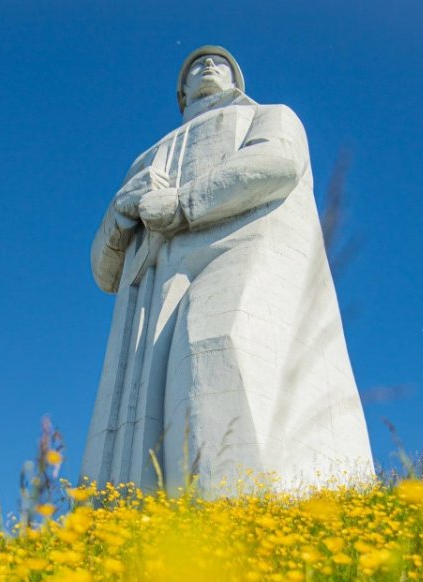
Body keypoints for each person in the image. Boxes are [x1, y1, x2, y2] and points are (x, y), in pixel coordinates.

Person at [81, 45, 374, 496]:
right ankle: (135, 525)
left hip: (242, 243)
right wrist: (119, 213)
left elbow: (277, 162)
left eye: (219, 62)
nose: (207, 65)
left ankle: (237, 505)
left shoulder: (268, 115)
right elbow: (104, 273)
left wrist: (182, 203)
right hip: (154, 283)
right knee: (129, 412)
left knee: (214, 338)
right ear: (182, 92)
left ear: (236, 79)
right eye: (196, 64)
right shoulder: (144, 160)